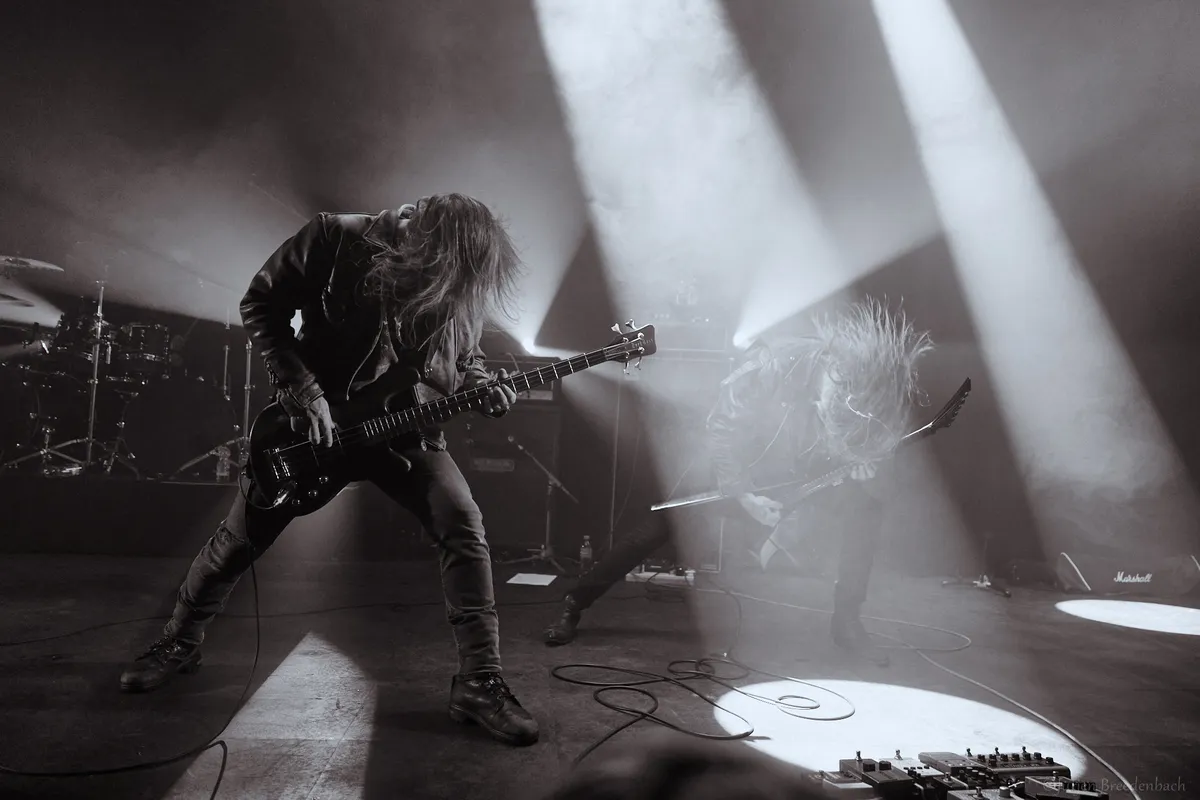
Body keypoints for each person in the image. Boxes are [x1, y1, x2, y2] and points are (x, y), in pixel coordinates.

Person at [119, 194, 540, 746]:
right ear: (421, 239)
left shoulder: (457, 272)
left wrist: (483, 385)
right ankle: (179, 641)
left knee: (463, 525)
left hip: (406, 431)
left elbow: (464, 358)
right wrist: (304, 390)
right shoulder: (336, 237)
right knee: (238, 541)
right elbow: (260, 303)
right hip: (317, 426)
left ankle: (480, 683)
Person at [543, 299, 934, 666]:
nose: (847, 401)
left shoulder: (859, 389)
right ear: (834, 367)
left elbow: (853, 436)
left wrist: (862, 464)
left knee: (866, 507)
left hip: (796, 474)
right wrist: (745, 496)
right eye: (843, 393)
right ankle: (574, 603)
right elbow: (723, 429)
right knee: (652, 531)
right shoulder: (773, 361)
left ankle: (847, 622)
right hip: (735, 469)